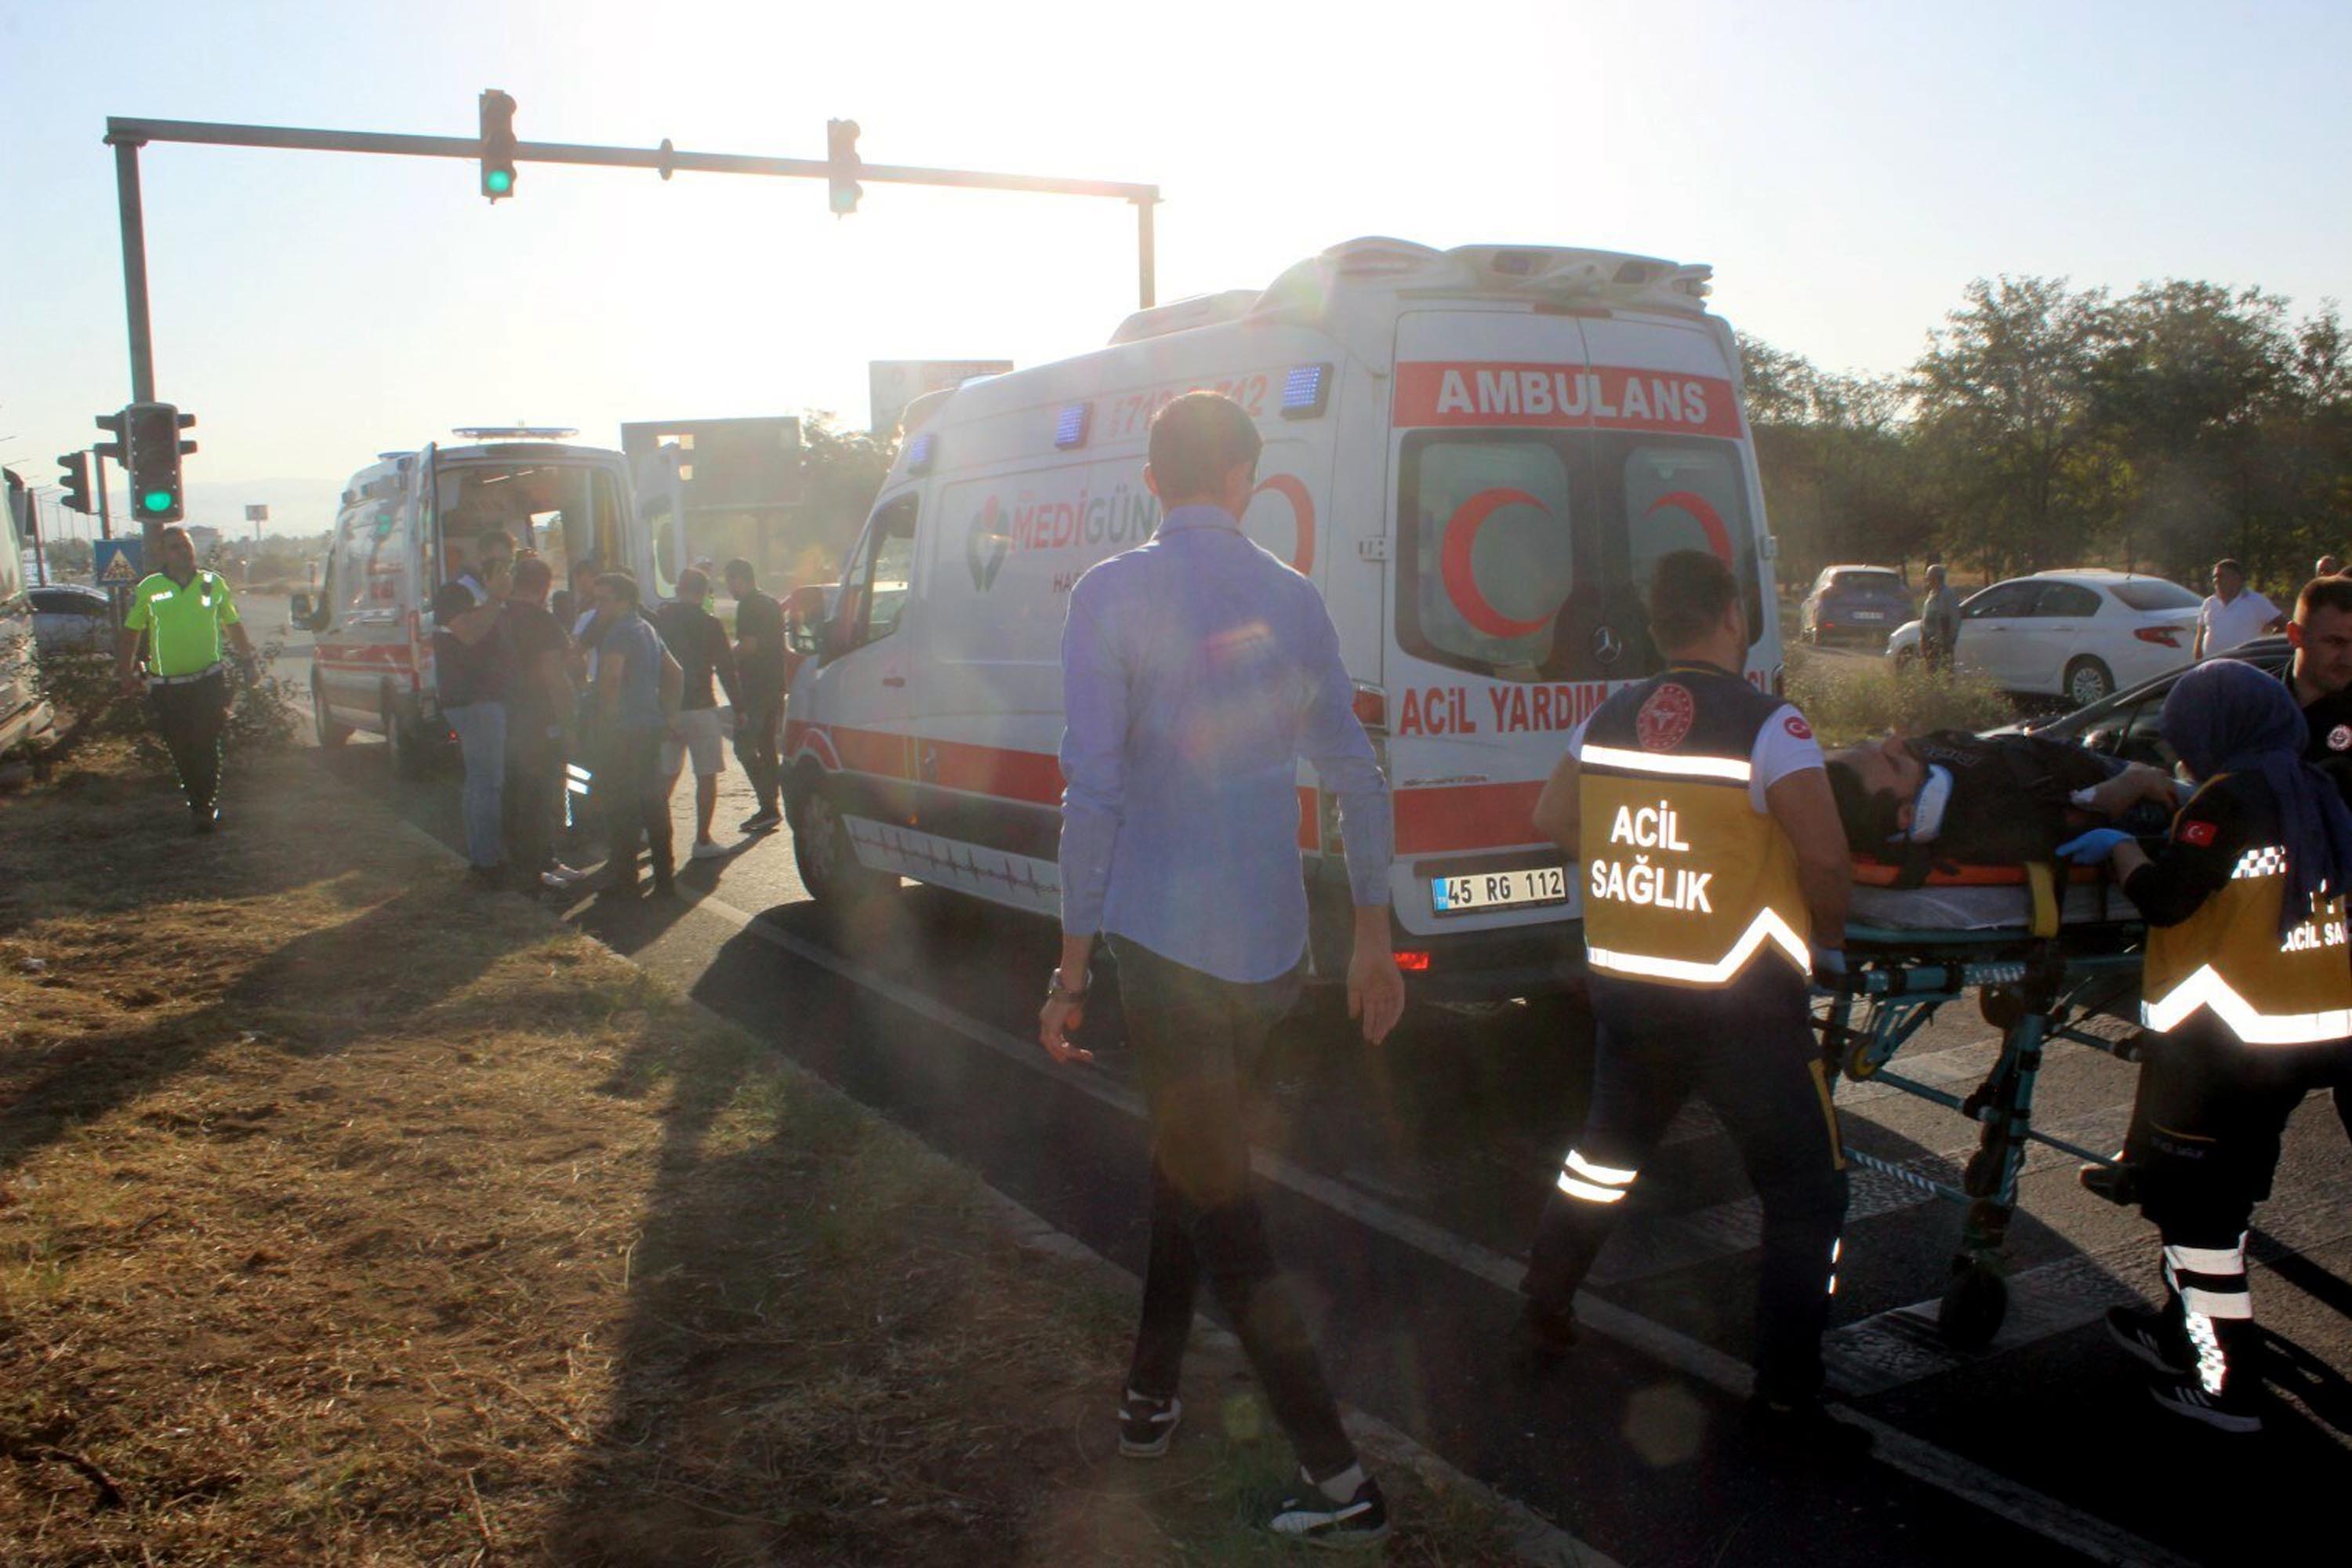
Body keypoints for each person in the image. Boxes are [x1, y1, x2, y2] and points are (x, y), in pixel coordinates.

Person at [1040, 391, 1405, 1548]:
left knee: (1221, 1199)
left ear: (1153, 478)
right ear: (1245, 473)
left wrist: (1069, 962)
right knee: (1190, 1169)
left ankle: (1339, 1478)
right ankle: (1148, 1399)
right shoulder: (1294, 599)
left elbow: (1091, 794)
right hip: (1275, 953)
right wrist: (1370, 938)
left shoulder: (1110, 593)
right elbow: (1355, 774)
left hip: (1163, 943)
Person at [1518, 550, 1861, 1454]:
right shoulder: (1770, 723)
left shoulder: (1610, 712)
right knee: (1806, 1194)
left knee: (1602, 1160)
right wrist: (1828, 943)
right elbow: (1826, 858)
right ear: (1734, 614)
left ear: (1656, 625)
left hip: (1634, 993)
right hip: (1744, 1006)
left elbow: (1552, 816)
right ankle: (1787, 1397)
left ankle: (1543, 1304)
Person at [2056, 661, 2352, 1432]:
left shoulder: (2228, 800)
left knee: (2199, 1216)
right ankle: (2178, 1330)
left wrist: (2122, 847)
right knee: (2223, 1193)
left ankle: (2227, 1383)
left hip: (2225, 1045)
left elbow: (2167, 897)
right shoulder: (2313, 789)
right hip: (2306, 1034)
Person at [1826, 730, 2178, 869]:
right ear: (1906, 815)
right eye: (1892, 761)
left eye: (1869, 743)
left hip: (2071, 752)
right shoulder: (1979, 823)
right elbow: (2085, 813)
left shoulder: (1921, 770)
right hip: (2127, 790)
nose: (1895, 742)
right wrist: (2137, 779)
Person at [114, 525, 259, 833]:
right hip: (169, 686)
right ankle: (196, 800)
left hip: (208, 680)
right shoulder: (150, 588)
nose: (182, 551)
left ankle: (205, 805)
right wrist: (126, 672)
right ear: (163, 554)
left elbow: (233, 624)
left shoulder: (212, 583)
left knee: (206, 743)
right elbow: (131, 631)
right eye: (175, 547)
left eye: (185, 545)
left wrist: (248, 661)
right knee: (181, 747)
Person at [502, 555, 587, 890]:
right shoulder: (542, 620)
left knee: (514, 794)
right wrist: (569, 724)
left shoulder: (499, 616)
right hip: (539, 719)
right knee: (542, 795)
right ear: (545, 586)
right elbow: (554, 676)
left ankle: (534, 861)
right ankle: (536, 867)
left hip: (505, 716)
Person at [654, 566, 742, 860]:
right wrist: (739, 708)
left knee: (666, 773)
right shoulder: (711, 624)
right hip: (701, 706)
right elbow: (727, 669)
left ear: (678, 587)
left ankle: (650, 828)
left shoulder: (660, 620)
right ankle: (702, 841)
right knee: (706, 775)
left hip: (668, 708)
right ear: (704, 593)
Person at [432, 576, 513, 887]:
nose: (505, 569)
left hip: (475, 700)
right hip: (476, 700)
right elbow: (468, 635)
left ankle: (482, 855)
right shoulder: (458, 592)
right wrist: (495, 600)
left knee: (478, 782)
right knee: (487, 783)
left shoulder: (478, 594)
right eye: (499, 562)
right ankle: (487, 862)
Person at [726, 557, 787, 833]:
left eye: (730, 581)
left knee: (744, 745)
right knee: (767, 746)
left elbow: (749, 646)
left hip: (755, 687)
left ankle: (768, 806)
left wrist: (727, 660)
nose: (729, 588)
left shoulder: (748, 605)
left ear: (741, 579)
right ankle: (771, 804)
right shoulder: (771, 602)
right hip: (774, 684)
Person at [2194, 557, 2285, 659]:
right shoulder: (2209, 603)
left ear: (2236, 578)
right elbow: (2200, 637)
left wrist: (2266, 647)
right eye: (2214, 577)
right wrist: (2197, 663)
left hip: (2244, 665)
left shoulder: (2256, 601)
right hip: (2212, 666)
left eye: (2221, 576)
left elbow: (2284, 625)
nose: (2216, 580)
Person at [1920, 564, 1962, 671]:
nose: (1927, 579)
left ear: (1937, 578)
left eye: (1929, 576)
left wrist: (1949, 640)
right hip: (1930, 640)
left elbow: (1954, 618)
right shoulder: (1931, 594)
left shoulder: (1948, 594)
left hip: (1942, 641)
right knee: (1930, 672)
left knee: (1945, 672)